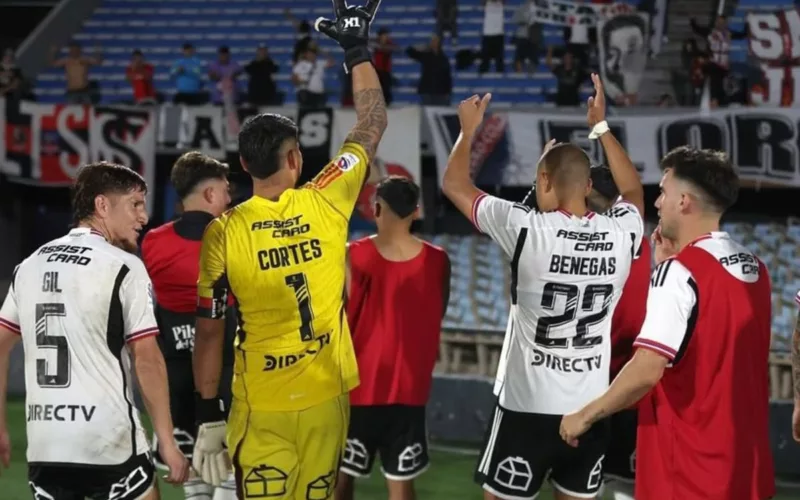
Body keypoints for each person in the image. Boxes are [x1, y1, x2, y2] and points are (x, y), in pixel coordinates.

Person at [190, 1, 388, 498]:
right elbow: (373, 120)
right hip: (325, 398)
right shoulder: (328, 196)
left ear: (242, 163)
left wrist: (207, 413)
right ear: (296, 158)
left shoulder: (223, 231)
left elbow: (210, 332)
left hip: (259, 403)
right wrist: (355, 47)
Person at [443, 73, 645, 500]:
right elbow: (632, 191)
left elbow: (456, 186)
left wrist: (467, 133)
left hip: (525, 408)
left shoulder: (524, 228)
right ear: (589, 186)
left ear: (545, 184)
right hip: (589, 408)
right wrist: (601, 127)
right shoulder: (620, 234)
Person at [560, 147, 776, 500]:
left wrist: (584, 415)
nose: (657, 203)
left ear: (685, 202)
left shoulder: (680, 273)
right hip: (746, 467)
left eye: (663, 192)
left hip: (690, 472)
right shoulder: (756, 268)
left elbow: (647, 370)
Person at [0, 162, 189, 498]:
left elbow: (1, 345)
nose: (143, 217)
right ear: (102, 205)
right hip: (109, 444)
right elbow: (146, 358)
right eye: (135, 204)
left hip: (47, 449)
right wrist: (167, 440)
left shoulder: (28, 265)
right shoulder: (123, 266)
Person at [336, 177, 450, 500]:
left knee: (340, 480)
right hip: (409, 391)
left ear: (375, 208)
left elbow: (337, 314)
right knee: (401, 484)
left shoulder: (351, 255)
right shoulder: (439, 260)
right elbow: (437, 311)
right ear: (416, 211)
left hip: (357, 387)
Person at [140, 152, 236, 500]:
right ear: (210, 194)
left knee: (194, 487)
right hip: (226, 376)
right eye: (225, 191)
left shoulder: (152, 242)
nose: (229, 199)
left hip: (173, 382)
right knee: (230, 482)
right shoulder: (233, 239)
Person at [586, 166, 651, 500]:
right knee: (623, 484)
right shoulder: (639, 241)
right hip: (631, 385)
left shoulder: (580, 239)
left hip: (591, 383)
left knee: (583, 483)